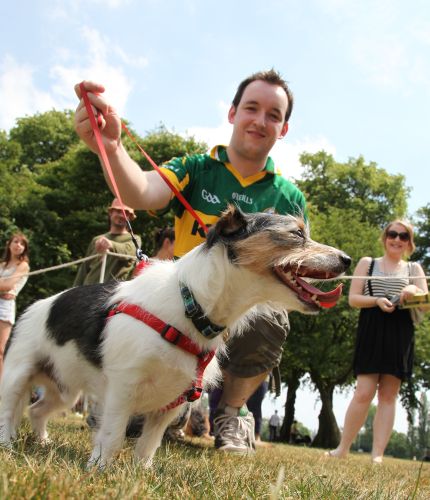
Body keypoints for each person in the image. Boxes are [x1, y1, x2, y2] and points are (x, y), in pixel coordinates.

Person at [74, 69, 307, 455]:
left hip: (241, 313)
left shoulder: (289, 197)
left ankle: (231, 412)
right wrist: (112, 149)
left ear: (283, 129)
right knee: (131, 422)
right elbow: (142, 191)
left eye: (273, 115)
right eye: (251, 108)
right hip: (178, 308)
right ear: (232, 113)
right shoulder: (196, 167)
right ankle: (169, 402)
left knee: (272, 315)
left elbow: (292, 268)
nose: (260, 120)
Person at [327, 220, 428, 463]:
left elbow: (426, 304)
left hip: (400, 331)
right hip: (372, 328)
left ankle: (377, 455)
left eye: (403, 236)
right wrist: (377, 301)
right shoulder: (367, 263)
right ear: (385, 237)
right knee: (363, 392)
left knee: (388, 395)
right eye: (393, 234)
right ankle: (342, 448)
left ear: (409, 243)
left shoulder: (414, 268)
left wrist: (413, 293)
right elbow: (353, 299)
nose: (397, 239)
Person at [74, 198, 141, 286]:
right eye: (118, 211)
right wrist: (73, 290)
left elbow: (127, 251)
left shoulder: (134, 239)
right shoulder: (96, 240)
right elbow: (84, 269)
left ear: (130, 218)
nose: (122, 215)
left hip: (110, 291)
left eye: (126, 213)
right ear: (110, 213)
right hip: (87, 289)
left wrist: (110, 245)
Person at [0, 232, 30, 381]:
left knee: (0, 349)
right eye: (15, 242)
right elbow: (4, 287)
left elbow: (8, 285)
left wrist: (5, 286)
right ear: (9, 244)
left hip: (5, 307)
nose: (18, 245)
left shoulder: (23, 265)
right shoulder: (1, 265)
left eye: (22, 243)